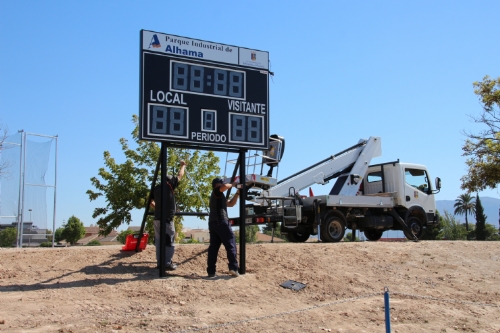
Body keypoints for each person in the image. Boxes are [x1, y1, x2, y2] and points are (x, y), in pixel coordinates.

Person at [150, 159, 187, 271]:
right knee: (169, 241)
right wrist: (183, 165)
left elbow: (151, 202)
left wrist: (159, 208)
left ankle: (160, 263)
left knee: (159, 242)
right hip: (166, 219)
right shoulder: (169, 185)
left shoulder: (156, 188)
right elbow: (180, 175)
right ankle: (166, 263)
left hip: (157, 218)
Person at [207, 177, 240, 278]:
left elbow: (231, 204)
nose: (222, 185)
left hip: (213, 223)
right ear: (217, 185)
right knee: (231, 243)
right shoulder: (216, 192)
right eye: (220, 184)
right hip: (221, 222)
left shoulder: (218, 196)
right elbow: (225, 186)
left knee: (213, 248)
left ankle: (211, 271)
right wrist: (234, 184)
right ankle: (233, 268)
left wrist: (238, 192)